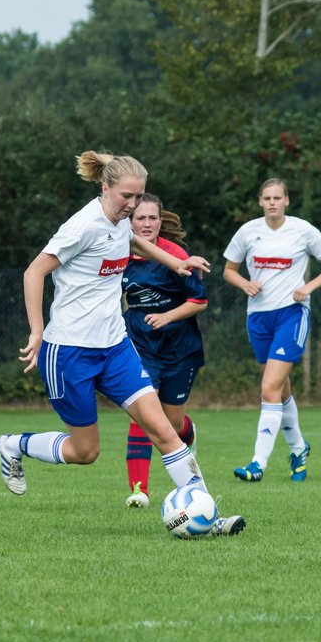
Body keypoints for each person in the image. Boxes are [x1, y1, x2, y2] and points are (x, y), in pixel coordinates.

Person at [0, 151, 244, 536]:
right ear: (105, 187)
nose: (132, 204)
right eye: (126, 196)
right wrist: (36, 330)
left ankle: (206, 516)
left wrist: (174, 263)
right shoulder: (82, 226)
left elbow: (135, 242)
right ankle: (13, 445)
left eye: (139, 196)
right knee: (85, 452)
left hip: (115, 348)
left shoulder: (119, 222)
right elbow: (34, 272)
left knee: (164, 430)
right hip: (69, 352)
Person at [223, 178, 321, 483]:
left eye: (278, 197)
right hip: (259, 318)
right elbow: (229, 271)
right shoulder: (248, 232)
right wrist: (245, 284)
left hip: (292, 314)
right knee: (280, 389)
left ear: (287, 200)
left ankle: (257, 464)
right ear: (260, 202)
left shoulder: (303, 230)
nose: (272, 202)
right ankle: (299, 449)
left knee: (268, 388)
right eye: (267, 198)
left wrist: (308, 287)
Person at [119, 194, 207, 508]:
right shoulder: (119, 254)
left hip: (180, 348)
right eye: (139, 218)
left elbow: (200, 301)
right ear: (129, 222)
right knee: (143, 415)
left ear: (160, 221)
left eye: (152, 218)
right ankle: (139, 491)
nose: (146, 224)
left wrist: (167, 317)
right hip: (140, 346)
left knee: (170, 423)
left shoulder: (175, 255)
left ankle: (188, 432)